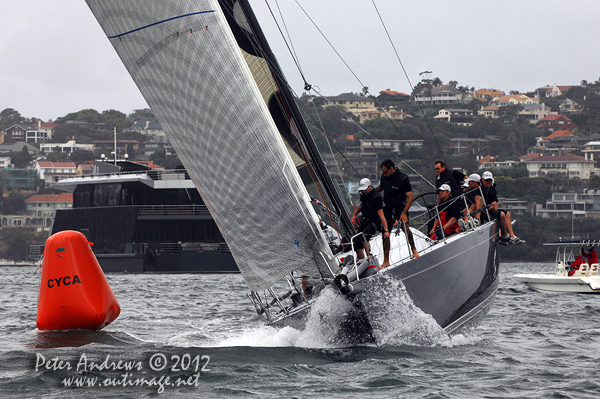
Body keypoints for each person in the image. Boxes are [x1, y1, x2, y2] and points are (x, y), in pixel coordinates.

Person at [375, 159, 419, 265]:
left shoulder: (403, 178)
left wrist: (404, 213)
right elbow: (381, 188)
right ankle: (386, 261)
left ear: (391, 169)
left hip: (400, 207)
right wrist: (371, 191)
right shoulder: (384, 177)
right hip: (388, 207)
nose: (384, 174)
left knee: (405, 227)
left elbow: (410, 197)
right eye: (383, 172)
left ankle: (414, 250)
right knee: (385, 232)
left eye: (385, 172)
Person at [350, 178, 390, 261]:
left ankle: (369, 259)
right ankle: (361, 260)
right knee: (356, 242)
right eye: (362, 190)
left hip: (374, 221)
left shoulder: (376, 197)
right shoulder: (363, 194)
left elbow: (381, 214)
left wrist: (386, 230)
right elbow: (360, 206)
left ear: (370, 186)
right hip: (365, 220)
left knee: (364, 238)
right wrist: (354, 215)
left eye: (365, 189)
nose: (364, 191)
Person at [480, 171, 524, 245]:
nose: (488, 182)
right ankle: (504, 235)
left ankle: (512, 236)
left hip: (491, 209)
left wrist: (493, 206)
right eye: (486, 180)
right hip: (485, 211)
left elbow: (495, 204)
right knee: (502, 215)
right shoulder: (481, 189)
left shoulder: (491, 189)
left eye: (490, 180)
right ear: (482, 180)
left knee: (507, 214)